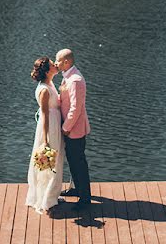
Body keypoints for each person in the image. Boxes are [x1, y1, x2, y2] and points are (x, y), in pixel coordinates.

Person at [25, 56, 65, 216]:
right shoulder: (44, 90)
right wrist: (46, 140)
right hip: (49, 128)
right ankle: (45, 200)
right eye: (52, 65)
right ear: (48, 71)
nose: (56, 65)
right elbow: (45, 115)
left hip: (55, 124)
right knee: (48, 164)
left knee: (56, 161)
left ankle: (52, 195)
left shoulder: (50, 84)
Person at [55, 48, 91, 210]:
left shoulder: (75, 80)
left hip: (74, 130)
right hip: (71, 129)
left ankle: (85, 199)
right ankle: (77, 189)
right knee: (73, 161)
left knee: (79, 164)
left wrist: (66, 127)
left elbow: (75, 108)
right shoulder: (69, 76)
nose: (56, 63)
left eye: (58, 60)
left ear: (66, 62)